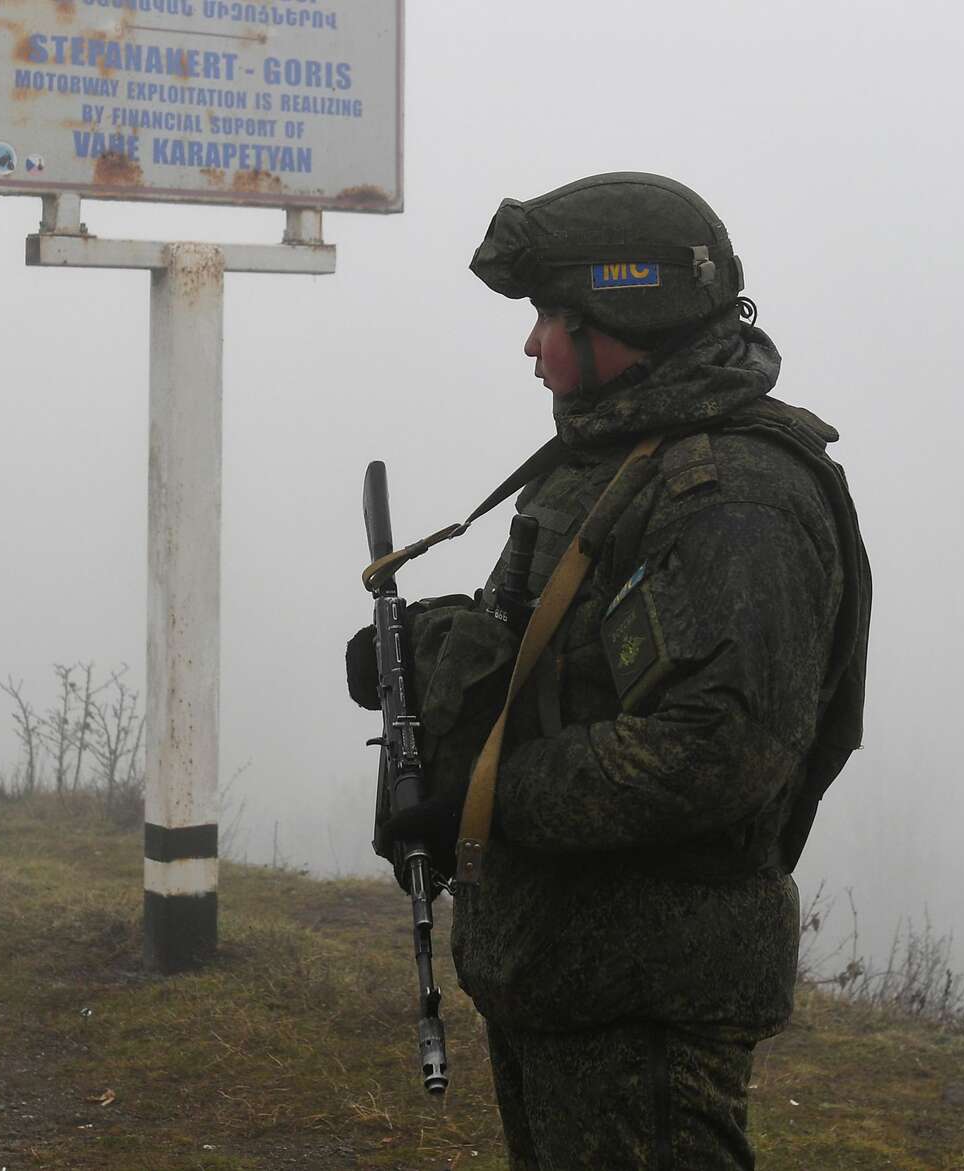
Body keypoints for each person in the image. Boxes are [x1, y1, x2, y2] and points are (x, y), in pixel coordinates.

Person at [353, 172, 870, 1169]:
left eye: (553, 314)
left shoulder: (733, 501)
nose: (531, 344)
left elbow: (713, 752)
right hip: (561, 967)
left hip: (646, 999)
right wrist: (420, 654)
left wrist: (482, 795)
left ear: (626, 317)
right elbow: (548, 646)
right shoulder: (609, 462)